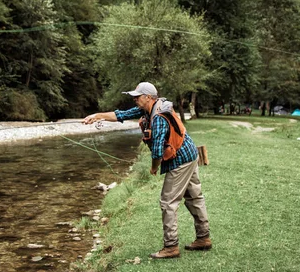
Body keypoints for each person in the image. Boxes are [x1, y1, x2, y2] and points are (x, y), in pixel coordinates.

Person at [83, 82, 211, 259]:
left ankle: (171, 246)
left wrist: (153, 168)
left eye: (137, 96)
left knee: (168, 202)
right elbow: (122, 115)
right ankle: (203, 238)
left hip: (181, 160)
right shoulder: (149, 108)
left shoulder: (157, 117)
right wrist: (97, 116)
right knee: (194, 197)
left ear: (148, 97)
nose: (134, 99)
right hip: (190, 154)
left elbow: (158, 151)